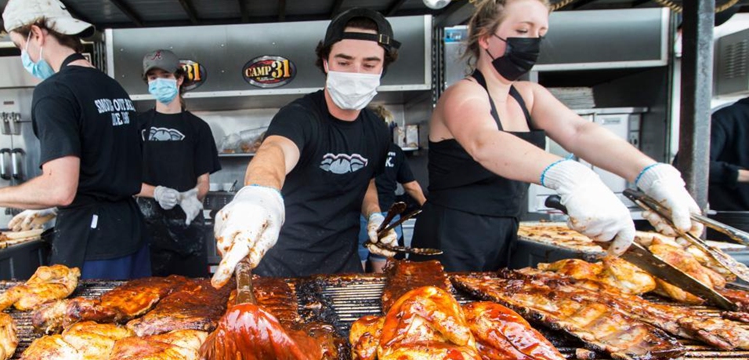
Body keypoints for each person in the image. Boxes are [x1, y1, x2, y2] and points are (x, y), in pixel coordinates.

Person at [411, 0, 702, 272]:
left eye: (540, 33)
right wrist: (573, 178)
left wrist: (651, 174)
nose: (532, 41)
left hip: (505, 230)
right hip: (450, 235)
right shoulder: (462, 94)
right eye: (522, 31)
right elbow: (484, 143)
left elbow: (580, 131)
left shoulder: (530, 96)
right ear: (486, 38)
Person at [0, 0, 149, 280]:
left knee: (87, 325)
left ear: (37, 34)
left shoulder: (54, 92)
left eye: (21, 46)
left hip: (91, 244)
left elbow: (60, 189)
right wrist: (44, 208)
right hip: (131, 235)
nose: (25, 54)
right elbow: (104, 169)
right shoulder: (112, 87)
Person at [211, 8, 401, 287]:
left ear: (383, 67)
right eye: (344, 62)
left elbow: (366, 180)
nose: (356, 73)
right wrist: (258, 196)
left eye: (369, 64)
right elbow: (274, 152)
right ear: (326, 62)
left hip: (343, 272)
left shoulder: (377, 130)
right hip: (281, 273)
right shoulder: (299, 116)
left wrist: (374, 215)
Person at [134, 49, 221, 277]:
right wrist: (156, 192)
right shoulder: (137, 126)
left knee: (193, 301)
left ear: (179, 79)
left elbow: (204, 182)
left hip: (188, 231)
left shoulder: (198, 128)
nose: (159, 82)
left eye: (165, 75)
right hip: (146, 231)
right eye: (153, 78)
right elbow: (126, 181)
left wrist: (191, 196)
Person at [358, 107, 427, 272]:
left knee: (357, 267)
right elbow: (411, 186)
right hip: (388, 216)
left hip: (361, 214)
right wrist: (427, 205)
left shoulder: (357, 149)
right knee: (382, 268)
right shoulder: (394, 151)